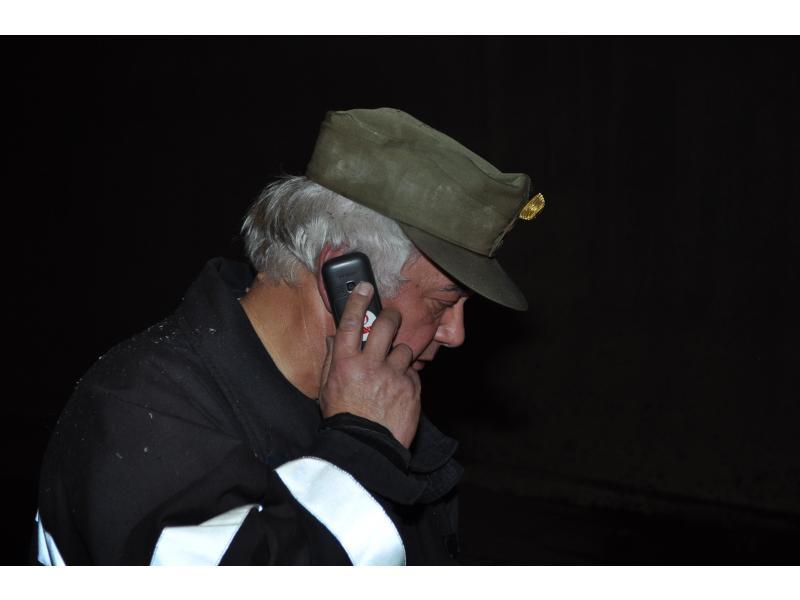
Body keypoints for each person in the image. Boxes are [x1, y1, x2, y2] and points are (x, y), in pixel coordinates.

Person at [33, 107, 544, 565]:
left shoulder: (374, 403)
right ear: (349, 281)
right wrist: (363, 456)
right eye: (442, 303)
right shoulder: (142, 412)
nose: (455, 334)